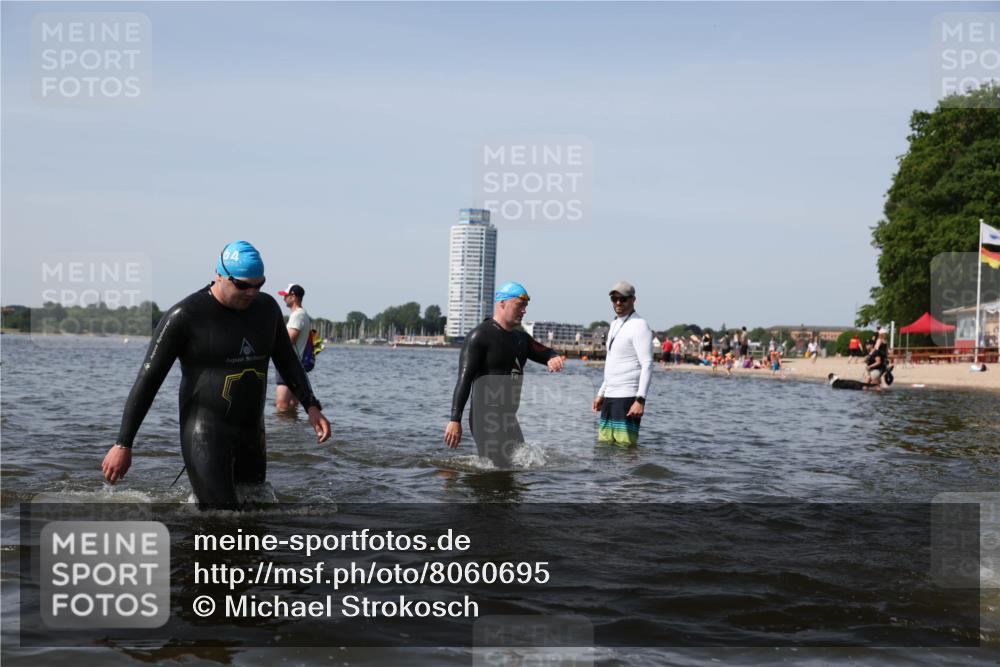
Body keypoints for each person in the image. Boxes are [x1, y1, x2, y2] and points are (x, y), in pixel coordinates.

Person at [101, 241, 332, 509]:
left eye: (259, 284)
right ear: (219, 275)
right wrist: (123, 443)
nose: (251, 292)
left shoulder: (266, 309)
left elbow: (287, 360)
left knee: (258, 514)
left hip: (251, 434)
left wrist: (311, 405)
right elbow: (148, 380)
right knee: (220, 518)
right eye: (243, 285)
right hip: (206, 433)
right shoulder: (185, 316)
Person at [444, 281, 564, 467]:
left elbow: (545, 351)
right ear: (502, 304)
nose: (524, 310)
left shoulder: (521, 339)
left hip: (509, 419)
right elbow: (464, 380)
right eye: (520, 305)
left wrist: (552, 357)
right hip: (484, 419)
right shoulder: (479, 337)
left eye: (526, 306)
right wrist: (454, 419)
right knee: (495, 471)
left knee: (520, 466)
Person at [592, 281, 654, 447]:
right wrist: (601, 393)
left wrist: (640, 400)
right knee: (604, 447)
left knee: (625, 449)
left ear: (633, 300)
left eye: (623, 299)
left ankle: (630, 474)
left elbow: (647, 364)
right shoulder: (614, 324)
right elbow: (612, 362)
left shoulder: (639, 325)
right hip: (610, 396)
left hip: (627, 397)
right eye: (614, 299)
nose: (618, 302)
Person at [275, 283, 313, 412]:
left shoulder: (298, 315)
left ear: (294, 297)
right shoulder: (302, 314)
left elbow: (289, 340)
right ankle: (292, 431)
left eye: (286, 296)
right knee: (292, 405)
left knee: (282, 405)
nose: (284, 298)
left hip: (289, 364)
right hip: (296, 365)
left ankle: (282, 432)